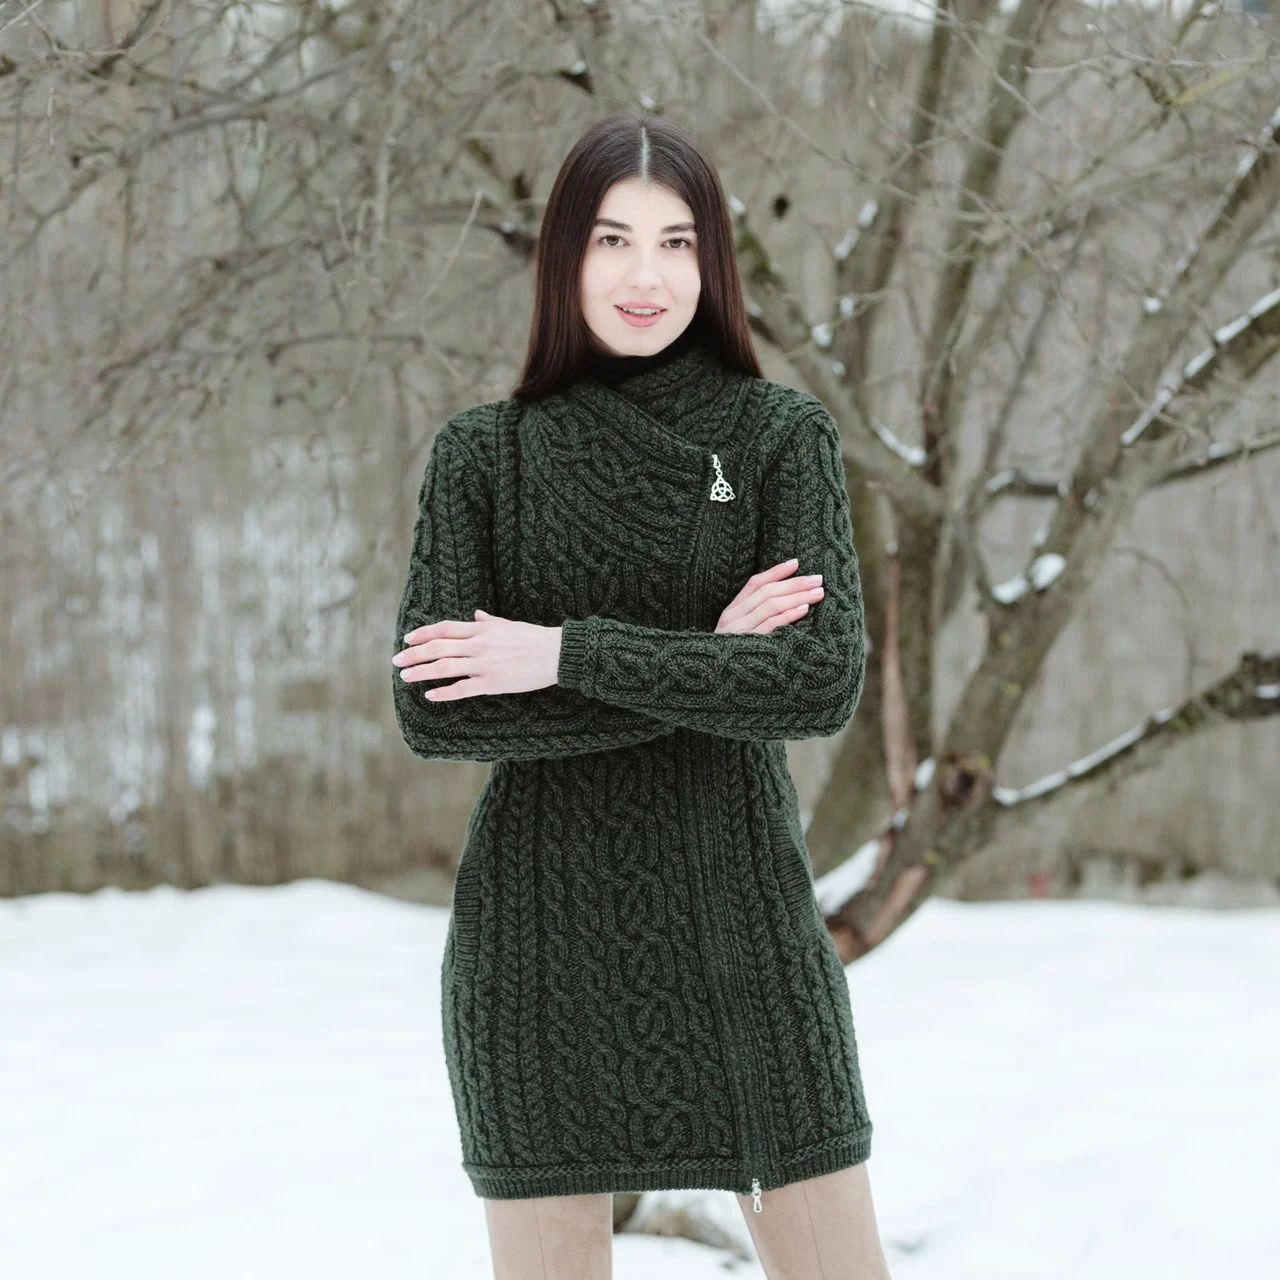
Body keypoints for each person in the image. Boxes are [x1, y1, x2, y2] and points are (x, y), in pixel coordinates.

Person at [391, 110, 893, 1280]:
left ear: (712, 264)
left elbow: (815, 681)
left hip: (743, 926)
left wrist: (561, 652)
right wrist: (709, 658)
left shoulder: (778, 438)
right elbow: (437, 706)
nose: (644, 275)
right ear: (563, 256)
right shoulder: (483, 456)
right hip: (538, 947)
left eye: (676, 242)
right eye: (612, 240)